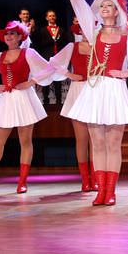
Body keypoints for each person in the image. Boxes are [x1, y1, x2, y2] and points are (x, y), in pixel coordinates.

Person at [54, 0, 128, 206]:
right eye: (102, 6)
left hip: (115, 90)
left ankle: (111, 191)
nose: (105, 8)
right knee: (97, 143)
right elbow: (80, 7)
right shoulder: (93, 33)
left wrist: (127, 73)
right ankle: (100, 191)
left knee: (112, 143)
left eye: (110, 5)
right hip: (95, 89)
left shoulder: (127, 38)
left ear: (117, 11)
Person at [0, 21, 52, 194]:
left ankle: (22, 181)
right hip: (6, 100)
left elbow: (48, 69)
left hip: (24, 99)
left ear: (20, 36)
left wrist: (31, 82)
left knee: (25, 141)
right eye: (7, 34)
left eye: (13, 33)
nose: (9, 36)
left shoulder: (29, 53)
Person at [48, 21, 99, 193]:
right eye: (82, 28)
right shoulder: (72, 47)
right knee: (81, 139)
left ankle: (96, 179)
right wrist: (69, 74)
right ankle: (85, 180)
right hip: (78, 92)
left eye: (88, 28)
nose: (85, 31)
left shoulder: (100, 46)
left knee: (95, 140)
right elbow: (53, 63)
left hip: (95, 90)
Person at [32, 9, 69, 104]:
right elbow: (38, 45)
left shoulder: (61, 30)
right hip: (46, 58)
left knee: (58, 79)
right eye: (50, 16)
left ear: (55, 17)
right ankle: (46, 102)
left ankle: (59, 102)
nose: (52, 17)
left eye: (53, 16)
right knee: (46, 79)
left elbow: (65, 44)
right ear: (46, 18)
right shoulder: (42, 30)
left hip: (58, 58)